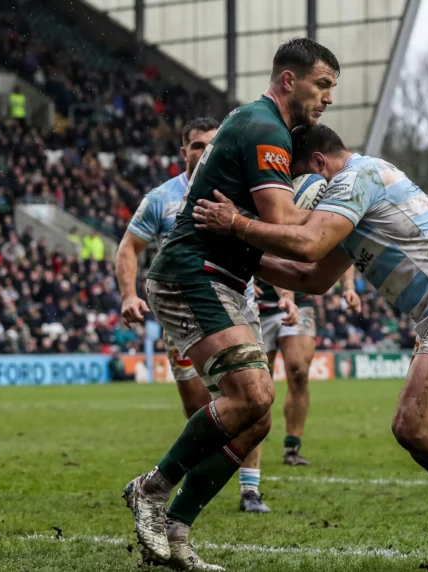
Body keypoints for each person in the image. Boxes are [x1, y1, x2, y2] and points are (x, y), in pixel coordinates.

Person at [192, 124, 428, 569]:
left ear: (318, 165)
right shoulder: (353, 200)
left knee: (413, 426)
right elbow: (311, 277)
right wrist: (241, 257)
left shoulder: (358, 177)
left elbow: (308, 244)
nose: (292, 205)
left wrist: (236, 226)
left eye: (295, 188)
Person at [120, 38, 340, 571]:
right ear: (290, 80)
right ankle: (152, 488)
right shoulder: (265, 128)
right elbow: (284, 224)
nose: (329, 98)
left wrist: (308, 269)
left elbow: (267, 247)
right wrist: (333, 215)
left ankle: (176, 530)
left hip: (222, 276)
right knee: (253, 393)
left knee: (255, 419)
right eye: (323, 84)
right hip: (191, 275)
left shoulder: (262, 127)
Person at [116, 117, 296, 517]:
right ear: (184, 152)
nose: (204, 152)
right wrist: (129, 294)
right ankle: (187, 487)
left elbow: (267, 248)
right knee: (205, 411)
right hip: (184, 310)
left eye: (210, 145)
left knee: (255, 400)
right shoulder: (162, 198)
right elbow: (129, 247)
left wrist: (285, 294)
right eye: (196, 146)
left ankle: (249, 489)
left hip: (238, 306)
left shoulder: (240, 189)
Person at [255, 270, 359, 466]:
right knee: (257, 379)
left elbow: (342, 245)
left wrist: (349, 286)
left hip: (299, 301)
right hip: (255, 304)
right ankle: (252, 440)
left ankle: (292, 448)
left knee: (298, 371)